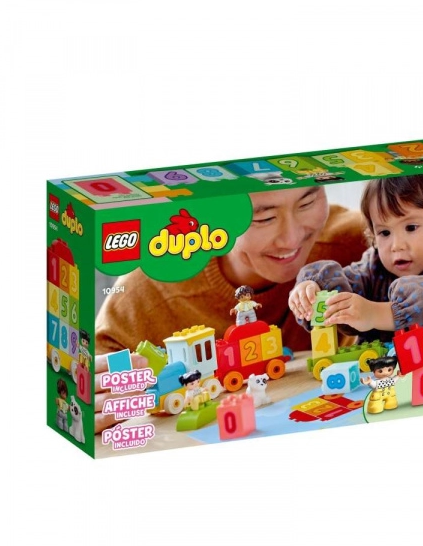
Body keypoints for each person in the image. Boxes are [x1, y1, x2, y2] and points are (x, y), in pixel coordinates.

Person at [94, 185, 368, 432]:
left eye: (307, 203)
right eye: (263, 218)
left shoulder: (369, 242)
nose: (290, 239)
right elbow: (90, 382)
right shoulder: (148, 290)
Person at [288, 171, 423, 343]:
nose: (396, 245)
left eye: (411, 227)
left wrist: (377, 313)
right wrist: (314, 290)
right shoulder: (374, 266)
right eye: (384, 232)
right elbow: (345, 285)